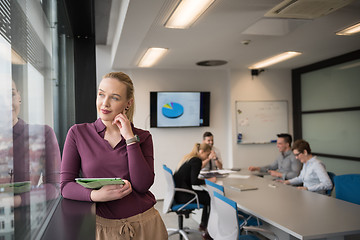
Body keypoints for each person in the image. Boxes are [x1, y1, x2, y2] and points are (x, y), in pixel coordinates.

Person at [60, 72, 167, 240]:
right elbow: (65, 186)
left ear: (128, 103)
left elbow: (142, 185)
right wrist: (95, 196)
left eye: (115, 98)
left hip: (145, 225)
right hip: (102, 229)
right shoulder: (78, 133)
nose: (105, 103)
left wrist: (130, 139)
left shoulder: (143, 137)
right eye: (101, 94)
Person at [173, 143, 216, 240]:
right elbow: (194, 181)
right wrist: (209, 181)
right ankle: (208, 231)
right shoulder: (197, 161)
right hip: (184, 195)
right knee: (210, 197)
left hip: (178, 194)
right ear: (201, 152)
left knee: (206, 196)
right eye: (207, 154)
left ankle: (204, 225)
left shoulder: (189, 158)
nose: (207, 157)